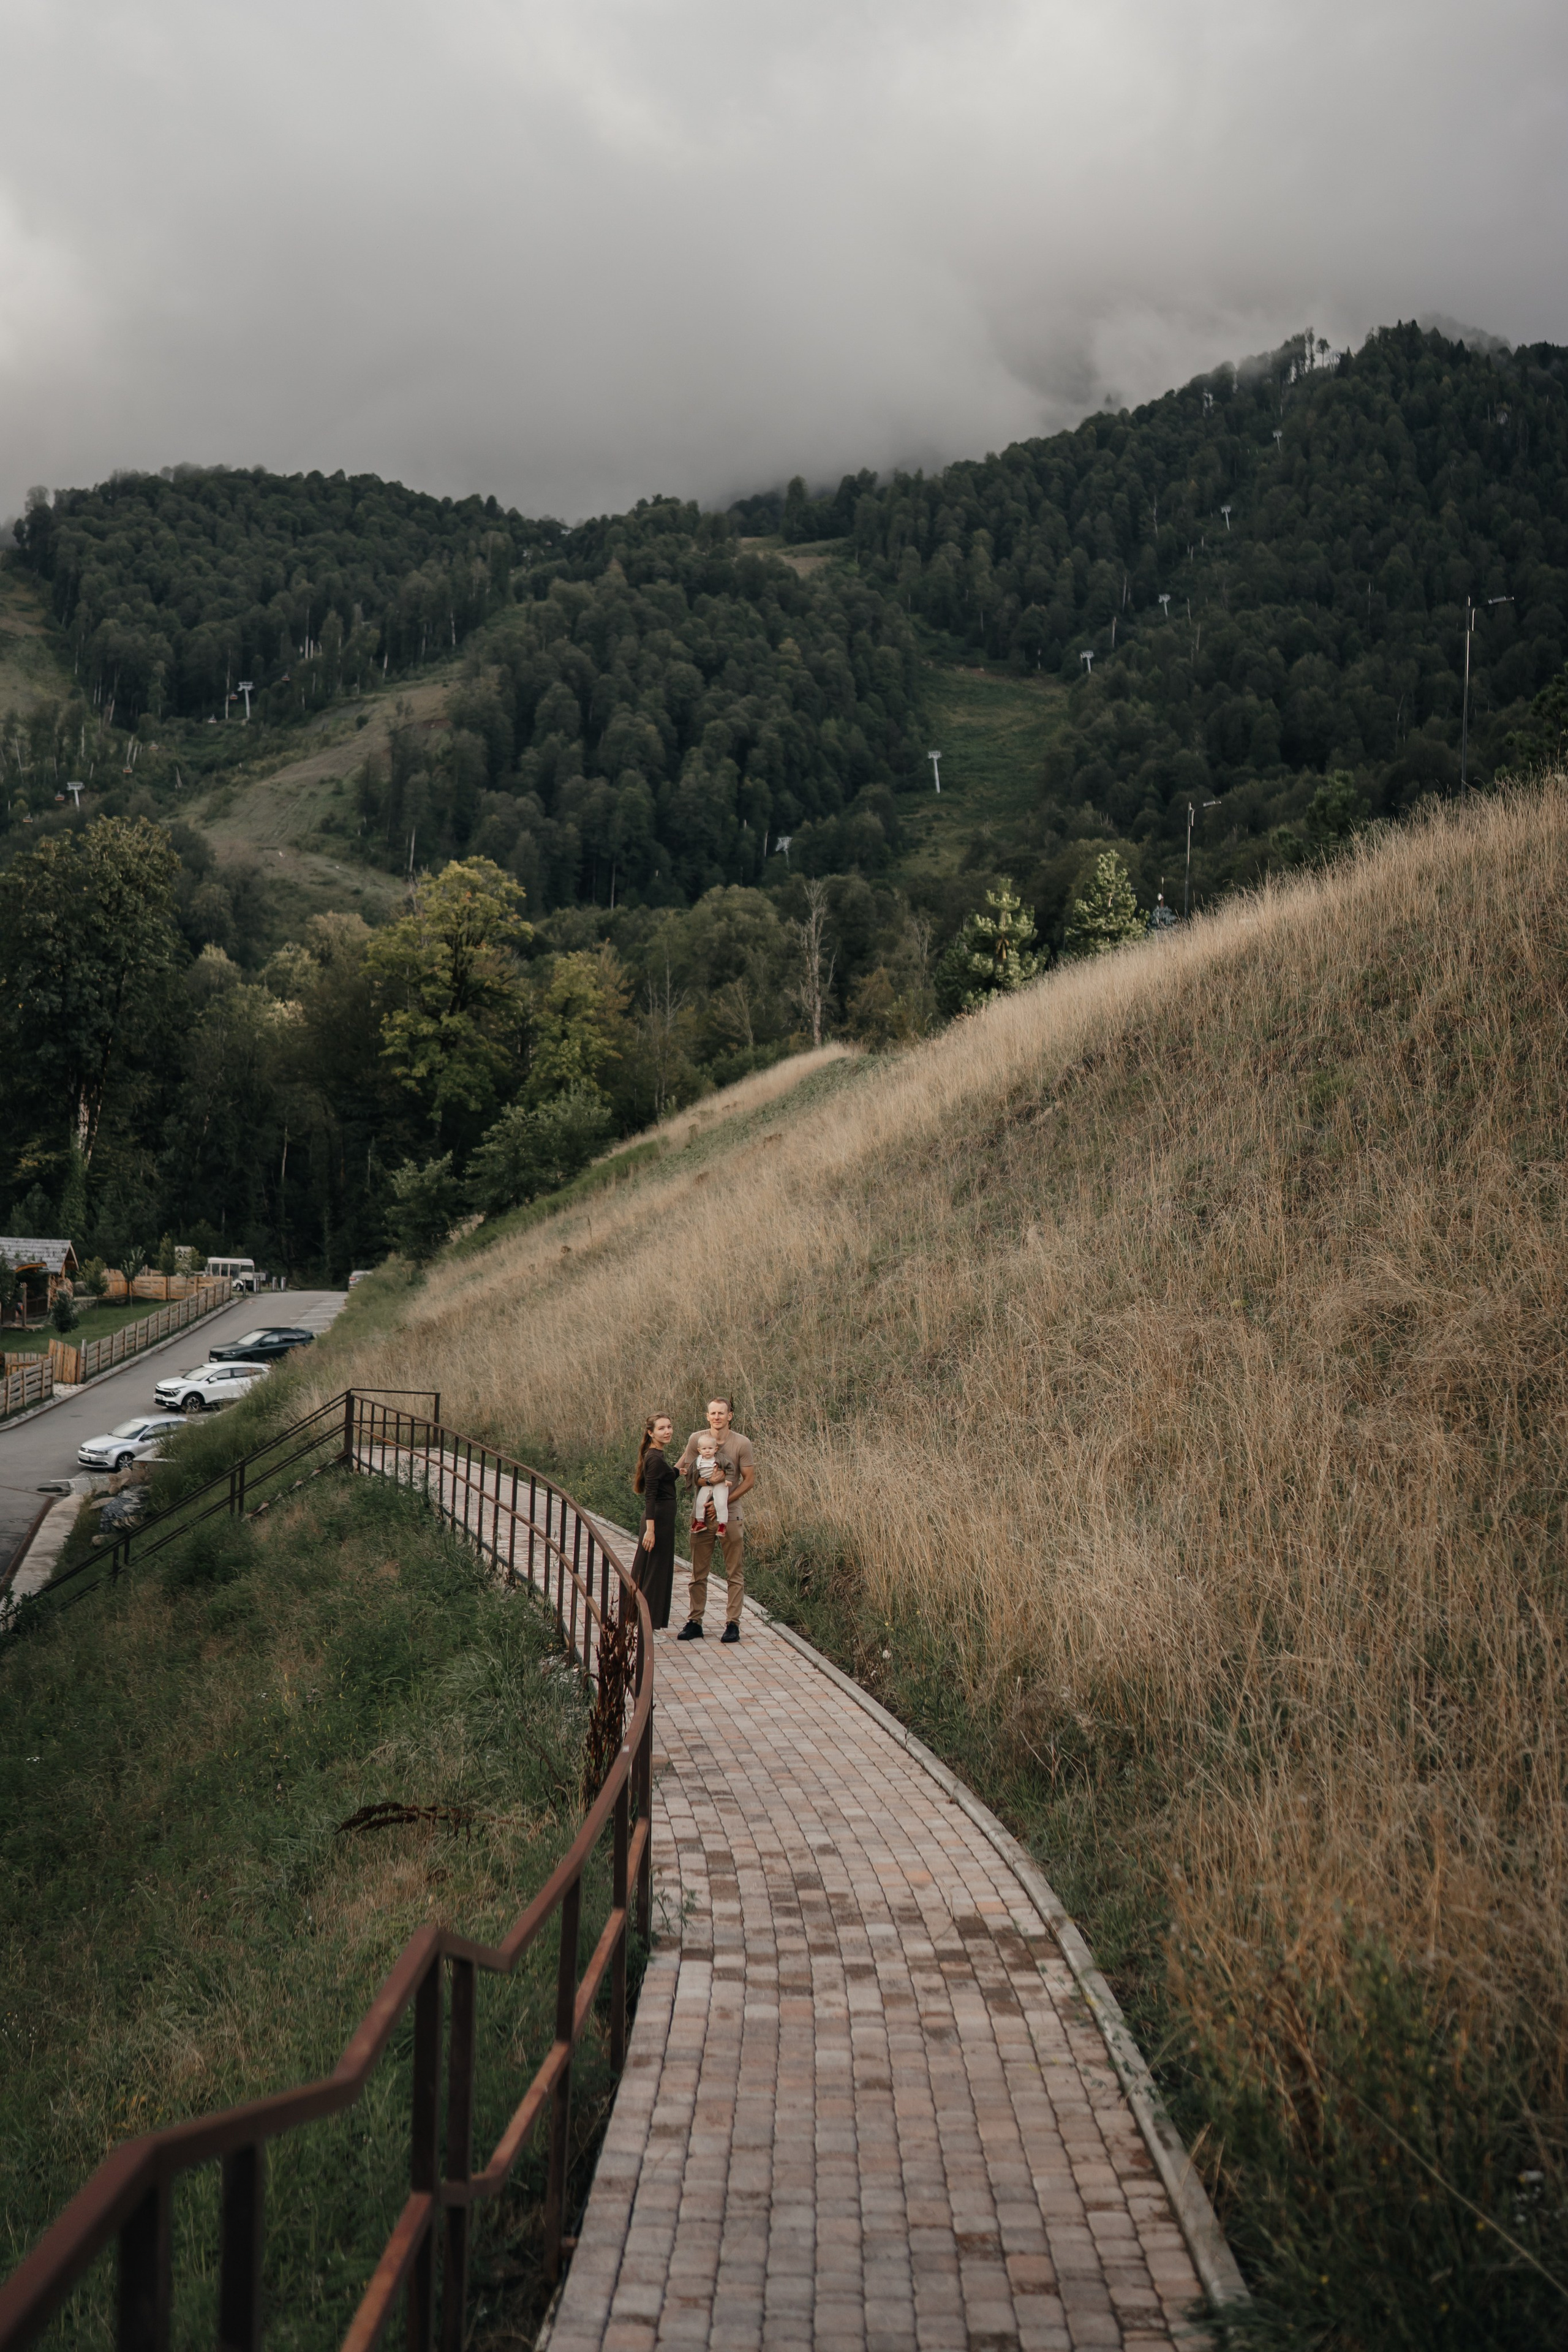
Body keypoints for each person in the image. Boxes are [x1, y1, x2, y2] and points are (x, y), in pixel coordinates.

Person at [675, 1397, 755, 1644]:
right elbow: (690, 1475)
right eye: (713, 1413)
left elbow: (749, 1480)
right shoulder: (696, 1440)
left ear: (730, 1416)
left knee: (734, 1571)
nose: (717, 1417)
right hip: (702, 1513)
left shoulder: (742, 1443)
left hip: (730, 1514)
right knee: (698, 1571)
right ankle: (694, 1621)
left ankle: (733, 1624)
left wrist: (723, 1502)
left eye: (722, 1413)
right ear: (707, 1416)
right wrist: (710, 1485)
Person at [633, 1413, 677, 1630]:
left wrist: (677, 1471)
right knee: (654, 1574)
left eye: (669, 1427)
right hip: (657, 1522)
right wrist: (651, 1531)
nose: (667, 1431)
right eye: (662, 1429)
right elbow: (650, 1496)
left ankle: (639, 1622)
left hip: (662, 1521)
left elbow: (664, 1478)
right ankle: (647, 1627)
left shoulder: (657, 1456)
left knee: (650, 1571)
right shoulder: (654, 1458)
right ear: (651, 1433)